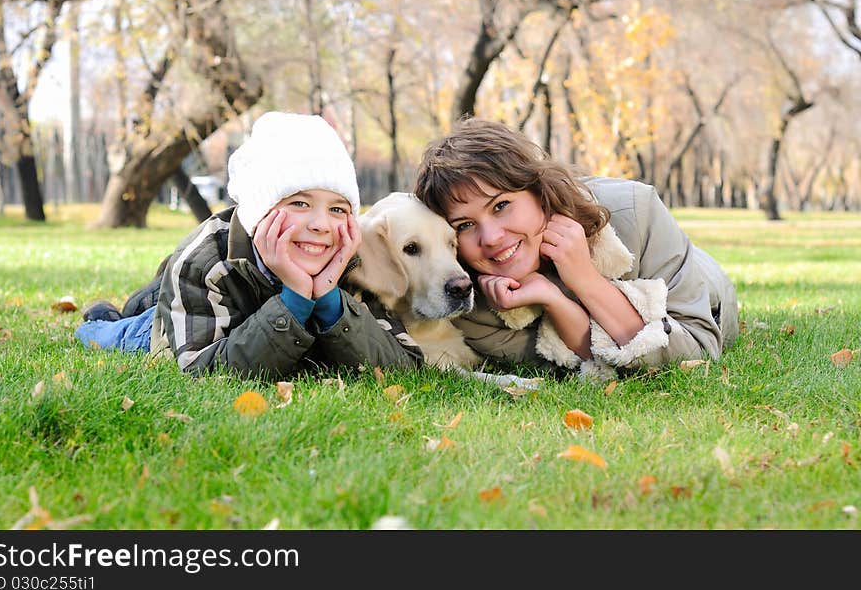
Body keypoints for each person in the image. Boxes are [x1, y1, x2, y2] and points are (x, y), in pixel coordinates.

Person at [76, 111, 423, 379]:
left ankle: (148, 299)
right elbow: (203, 371)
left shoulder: (351, 259)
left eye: (337, 209)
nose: (320, 224)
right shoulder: (206, 261)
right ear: (260, 211)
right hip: (186, 324)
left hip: (222, 314)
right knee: (125, 335)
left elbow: (403, 365)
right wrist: (296, 300)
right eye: (299, 204)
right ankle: (106, 319)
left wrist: (330, 300)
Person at [413, 117, 738, 381]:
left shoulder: (636, 211)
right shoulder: (476, 312)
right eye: (465, 225)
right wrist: (555, 300)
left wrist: (585, 279)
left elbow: (696, 353)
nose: (492, 238)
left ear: (538, 191)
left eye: (501, 206)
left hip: (705, 284)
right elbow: (582, 367)